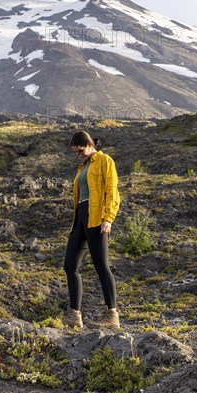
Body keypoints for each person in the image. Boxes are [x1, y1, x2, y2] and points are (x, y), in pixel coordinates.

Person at [62, 130, 121, 330]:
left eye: (80, 151)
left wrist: (108, 218)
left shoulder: (105, 161)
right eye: (75, 152)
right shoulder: (83, 167)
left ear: (89, 145)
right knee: (70, 265)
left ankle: (112, 315)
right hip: (80, 217)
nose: (78, 155)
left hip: (97, 218)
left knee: (101, 265)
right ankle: (74, 315)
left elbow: (112, 190)